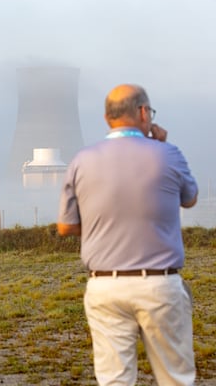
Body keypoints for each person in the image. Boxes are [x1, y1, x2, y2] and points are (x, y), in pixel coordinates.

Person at [57, 84, 198, 385]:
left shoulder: (82, 159)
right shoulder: (168, 154)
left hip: (105, 284)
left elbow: (65, 226)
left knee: (114, 379)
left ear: (108, 117)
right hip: (159, 282)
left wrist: (103, 224)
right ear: (144, 112)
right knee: (175, 377)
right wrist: (162, 144)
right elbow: (190, 197)